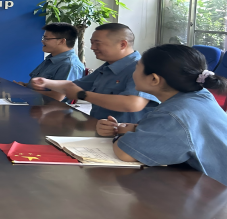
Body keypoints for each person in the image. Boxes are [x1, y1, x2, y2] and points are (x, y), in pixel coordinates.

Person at [96, 44, 227, 186]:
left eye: (137, 67)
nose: (133, 72)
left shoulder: (173, 115)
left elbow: (126, 152)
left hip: (214, 192)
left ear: (154, 79)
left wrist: (119, 136)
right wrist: (130, 128)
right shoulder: (200, 95)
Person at [31, 23, 159, 123]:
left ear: (122, 44)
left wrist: (83, 95)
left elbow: (132, 104)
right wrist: (46, 82)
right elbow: (74, 86)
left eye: (97, 43)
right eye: (92, 43)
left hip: (126, 136)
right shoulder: (108, 67)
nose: (92, 48)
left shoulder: (141, 68)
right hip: (100, 130)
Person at [17, 22, 85, 101]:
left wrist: (26, 92)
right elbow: (40, 87)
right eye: (43, 38)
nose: (42, 41)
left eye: (46, 39)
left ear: (61, 41)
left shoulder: (69, 65)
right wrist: (23, 86)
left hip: (50, 108)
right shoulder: (51, 59)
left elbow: (57, 97)